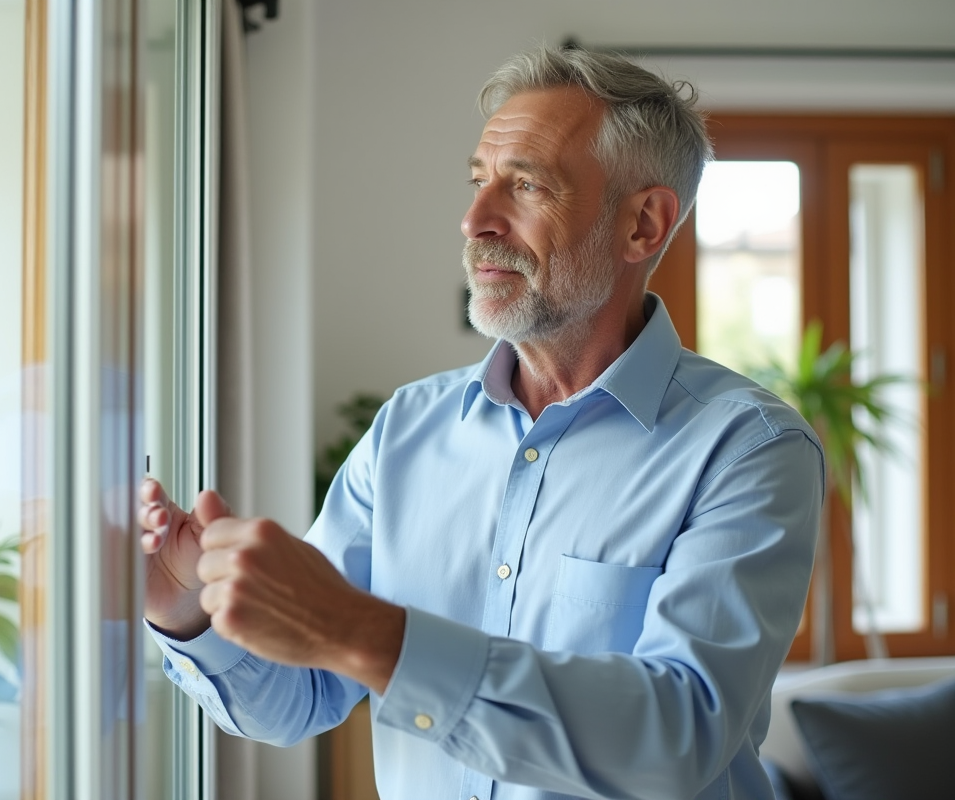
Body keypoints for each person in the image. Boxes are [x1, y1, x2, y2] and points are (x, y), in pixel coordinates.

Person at [139, 46, 823, 800]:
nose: (474, 219)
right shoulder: (406, 430)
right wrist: (184, 612)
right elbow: (300, 698)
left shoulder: (747, 449)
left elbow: (676, 735)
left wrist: (361, 630)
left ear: (642, 225)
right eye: (477, 182)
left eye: (526, 185)